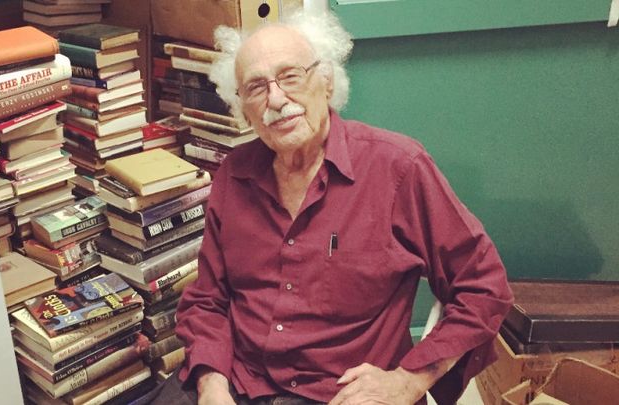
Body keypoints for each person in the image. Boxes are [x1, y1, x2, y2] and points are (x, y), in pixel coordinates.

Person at [144, 9, 513, 405]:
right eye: (256, 87)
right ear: (243, 109)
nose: (275, 99)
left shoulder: (398, 168)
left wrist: (408, 381)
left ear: (327, 80)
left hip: (339, 393)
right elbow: (207, 300)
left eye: (290, 76)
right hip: (237, 380)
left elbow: (483, 288)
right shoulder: (233, 175)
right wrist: (211, 386)